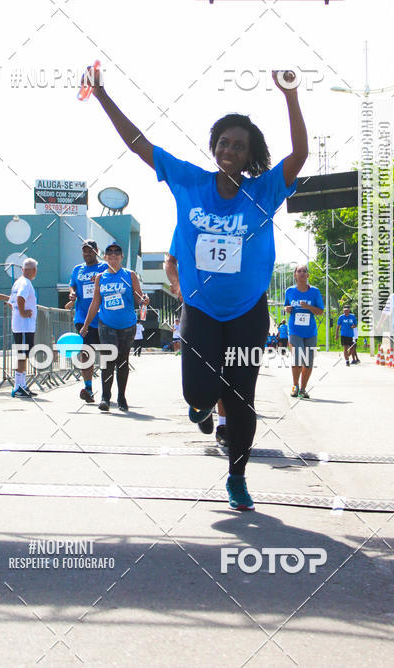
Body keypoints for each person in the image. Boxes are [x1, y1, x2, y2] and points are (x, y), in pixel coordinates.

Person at [87, 68, 307, 510]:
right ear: (214, 146)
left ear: (250, 155)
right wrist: (102, 95)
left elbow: (300, 153)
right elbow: (139, 144)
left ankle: (237, 478)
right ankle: (203, 407)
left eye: (239, 146)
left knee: (241, 397)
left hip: (247, 313)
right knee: (198, 393)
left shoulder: (264, 191)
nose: (229, 150)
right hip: (201, 310)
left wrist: (290, 95)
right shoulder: (190, 180)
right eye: (224, 142)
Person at [167, 238, 227, 446]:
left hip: (227, 308)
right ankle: (203, 404)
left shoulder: (235, 224)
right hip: (196, 309)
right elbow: (170, 261)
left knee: (224, 370)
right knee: (201, 368)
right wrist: (177, 285)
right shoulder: (189, 225)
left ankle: (223, 425)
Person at [80, 241, 148, 412]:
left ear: (121, 257)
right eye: (110, 253)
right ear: (105, 257)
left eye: (117, 253)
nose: (113, 256)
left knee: (123, 361)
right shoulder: (100, 278)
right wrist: (86, 325)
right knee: (108, 359)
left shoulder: (130, 275)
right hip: (106, 324)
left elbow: (138, 298)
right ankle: (105, 397)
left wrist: (144, 300)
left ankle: (121, 397)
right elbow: (95, 302)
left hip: (127, 325)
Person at [67, 240, 108, 403]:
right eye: (84, 251)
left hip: (104, 318)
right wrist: (72, 293)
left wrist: (99, 281)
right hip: (83, 318)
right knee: (86, 353)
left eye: (90, 251)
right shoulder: (77, 269)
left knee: (106, 356)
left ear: (97, 251)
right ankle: (88, 388)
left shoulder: (104, 267)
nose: (87, 254)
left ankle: (106, 391)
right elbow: (72, 285)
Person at [285, 265, 324, 400]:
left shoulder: (315, 292)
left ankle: (303, 389)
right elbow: (286, 306)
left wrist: (308, 306)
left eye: (304, 271)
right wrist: (287, 309)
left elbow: (320, 311)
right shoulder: (290, 291)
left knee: (308, 362)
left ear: (307, 275)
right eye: (299, 271)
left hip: (310, 331)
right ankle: (295, 386)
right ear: (295, 275)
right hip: (294, 329)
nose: (301, 273)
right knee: (297, 357)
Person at [8, 258, 39, 398]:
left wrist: (18, 313)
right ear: (34, 270)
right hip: (24, 325)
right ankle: (18, 386)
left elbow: (11, 302)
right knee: (23, 355)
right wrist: (22, 313)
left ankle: (21, 385)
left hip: (19, 325)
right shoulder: (26, 283)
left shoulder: (18, 282)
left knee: (23, 355)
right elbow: (20, 298)